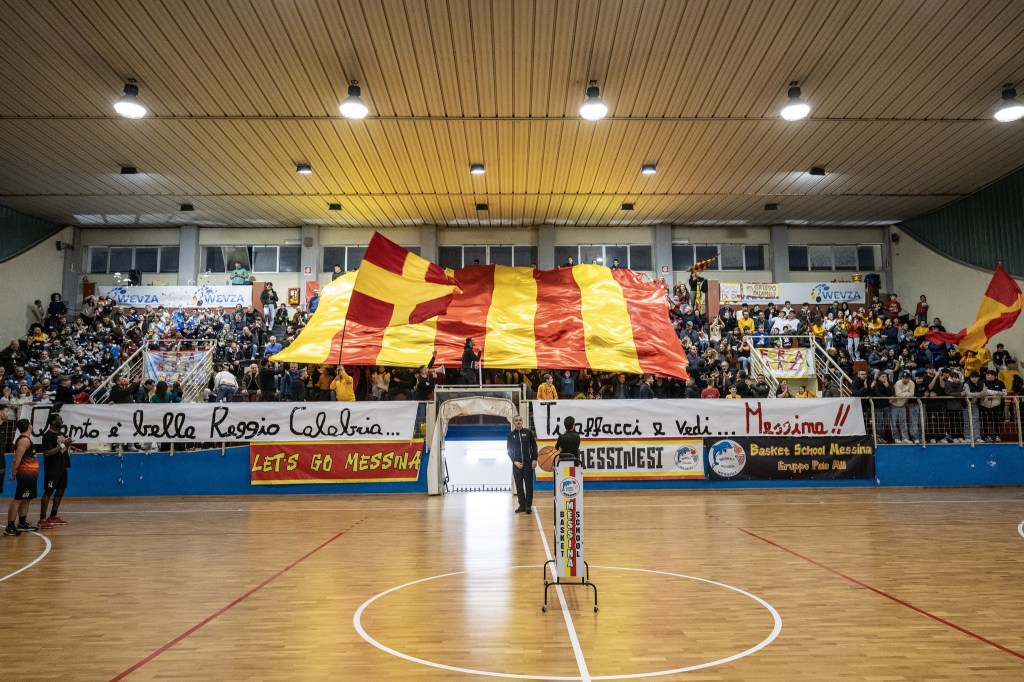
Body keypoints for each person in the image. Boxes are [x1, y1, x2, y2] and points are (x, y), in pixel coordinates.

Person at [38, 413, 71, 529]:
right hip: (52, 468)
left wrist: (68, 444)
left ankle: (53, 516)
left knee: (61, 491)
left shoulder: (61, 434)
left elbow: (63, 447)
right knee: (48, 491)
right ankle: (42, 519)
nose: (62, 421)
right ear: (53, 422)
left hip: (62, 466)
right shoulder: (47, 436)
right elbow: (47, 452)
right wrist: (63, 446)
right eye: (59, 419)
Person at [6, 419, 39, 535]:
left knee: (26, 499)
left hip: (30, 474)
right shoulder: (24, 440)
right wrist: (13, 473)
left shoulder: (26, 439)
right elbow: (16, 459)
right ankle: (10, 527)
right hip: (25, 474)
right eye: (31, 424)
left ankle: (22, 524)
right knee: (18, 499)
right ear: (29, 426)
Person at [506, 415, 538, 514]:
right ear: (514, 423)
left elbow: (534, 446)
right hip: (517, 465)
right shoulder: (510, 435)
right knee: (519, 486)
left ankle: (528, 506)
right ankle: (522, 505)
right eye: (516, 420)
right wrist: (514, 462)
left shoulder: (528, 433)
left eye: (520, 420)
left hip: (528, 464)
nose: (518, 422)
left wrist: (534, 459)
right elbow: (509, 450)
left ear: (522, 421)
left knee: (528, 486)